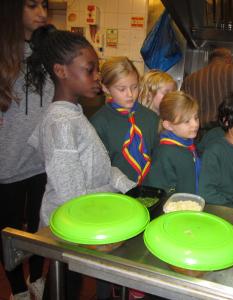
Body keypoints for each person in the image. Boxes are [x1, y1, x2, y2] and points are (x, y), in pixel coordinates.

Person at [26, 25, 136, 299]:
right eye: (89, 70)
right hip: (71, 224)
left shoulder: (73, 113)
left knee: (66, 284)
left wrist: (128, 187)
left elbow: (97, 167)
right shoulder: (61, 122)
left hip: (81, 218)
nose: (97, 77)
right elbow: (71, 196)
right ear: (61, 71)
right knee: (64, 286)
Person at [0, 1, 51, 299]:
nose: (41, 11)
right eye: (32, 5)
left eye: (43, 4)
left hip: (43, 160)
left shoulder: (48, 49)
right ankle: (18, 289)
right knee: (8, 232)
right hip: (7, 161)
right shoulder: (5, 52)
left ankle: (37, 278)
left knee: (40, 225)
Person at [90, 57, 159, 185]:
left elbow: (159, 158)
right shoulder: (98, 123)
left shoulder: (151, 118)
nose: (130, 94)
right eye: (121, 89)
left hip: (149, 190)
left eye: (134, 87)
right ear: (105, 88)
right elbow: (98, 169)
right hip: (115, 194)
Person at [180, 47, 233, 135]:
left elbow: (180, 109)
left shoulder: (189, 79)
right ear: (229, 59)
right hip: (226, 133)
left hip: (197, 134)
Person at [145, 91, 201, 195]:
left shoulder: (188, 143)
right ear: (169, 125)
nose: (195, 124)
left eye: (196, 118)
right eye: (186, 121)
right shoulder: (165, 153)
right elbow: (161, 190)